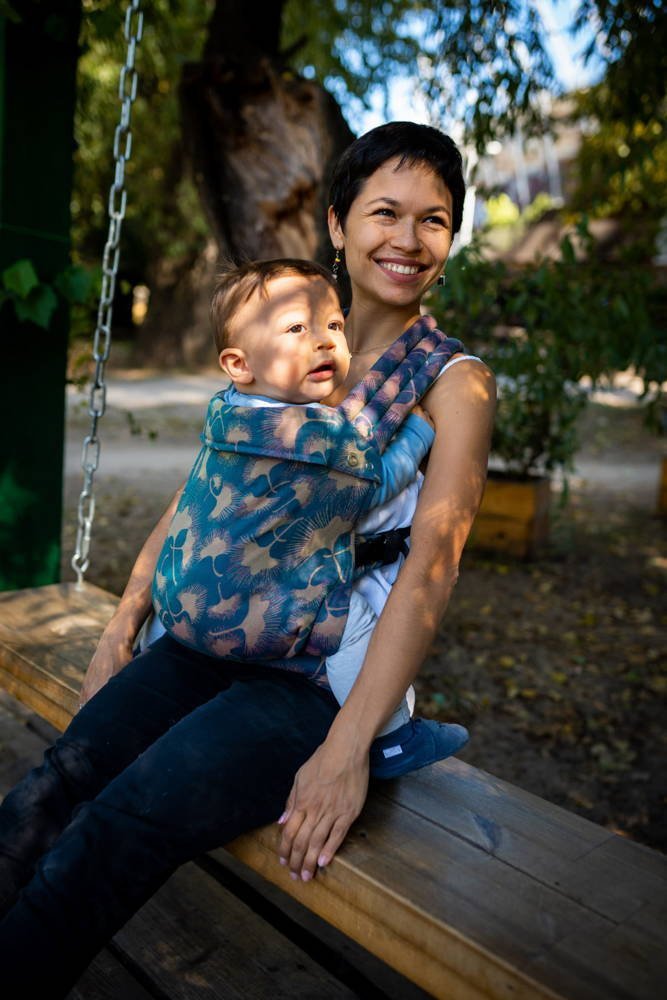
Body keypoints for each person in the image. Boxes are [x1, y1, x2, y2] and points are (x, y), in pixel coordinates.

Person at [0, 121, 495, 995]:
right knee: (61, 776)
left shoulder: (452, 383)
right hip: (219, 638)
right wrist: (125, 618)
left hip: (320, 678)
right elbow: (206, 490)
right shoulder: (295, 342)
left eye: (434, 219)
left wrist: (346, 750)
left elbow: (432, 569)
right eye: (386, 212)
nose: (409, 240)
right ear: (337, 224)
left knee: (122, 819)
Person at [148, 255, 470, 779]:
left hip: (180, 604)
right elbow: (370, 485)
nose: (324, 341)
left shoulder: (229, 410)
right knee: (353, 622)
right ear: (239, 363)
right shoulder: (309, 435)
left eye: (334, 326)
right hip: (254, 605)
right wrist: (417, 434)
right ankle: (391, 739)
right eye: (298, 328)